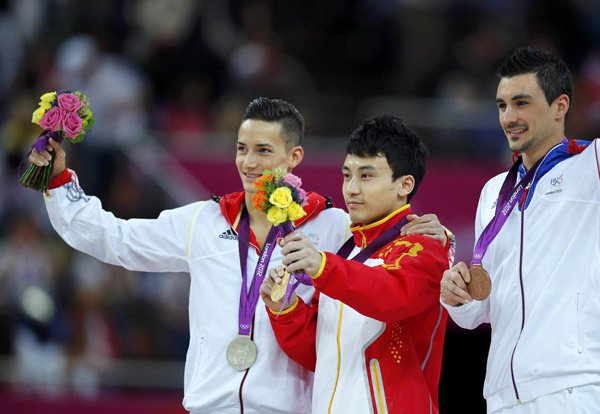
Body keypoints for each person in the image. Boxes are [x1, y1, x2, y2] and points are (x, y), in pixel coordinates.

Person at [28, 97, 451, 414]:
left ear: (293, 157)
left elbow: (388, 256)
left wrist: (439, 234)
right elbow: (115, 238)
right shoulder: (203, 221)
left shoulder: (335, 228)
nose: (249, 163)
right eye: (242, 148)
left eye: (264, 151)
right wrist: (61, 181)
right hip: (209, 406)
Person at [440, 47, 600, 414]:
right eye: (501, 105)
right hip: (501, 394)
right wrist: (458, 297)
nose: (508, 117)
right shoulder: (494, 191)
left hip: (572, 386)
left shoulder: (590, 168)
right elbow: (482, 311)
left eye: (522, 103)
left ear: (560, 106)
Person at [260, 115, 450, 414]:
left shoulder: (424, 246)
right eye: (347, 175)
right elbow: (321, 354)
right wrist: (285, 308)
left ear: (404, 185)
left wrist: (323, 266)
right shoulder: (348, 252)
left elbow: (391, 296)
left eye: (366, 176)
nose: (351, 189)